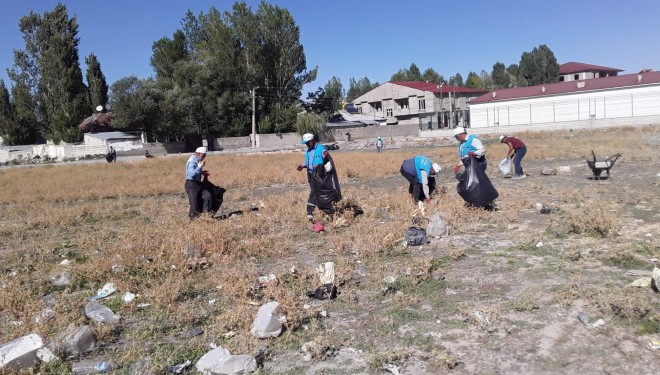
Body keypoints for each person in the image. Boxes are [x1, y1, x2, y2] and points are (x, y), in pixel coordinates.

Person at [296, 133, 341, 221]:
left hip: (320, 176)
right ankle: (324, 211)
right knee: (316, 193)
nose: (306, 145)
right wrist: (303, 165)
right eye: (305, 143)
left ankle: (310, 212)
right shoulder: (308, 150)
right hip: (311, 175)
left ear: (312, 141)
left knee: (315, 193)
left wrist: (325, 158)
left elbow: (327, 159)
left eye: (308, 143)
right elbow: (308, 161)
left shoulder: (320, 149)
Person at [185, 147, 207, 219]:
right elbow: (191, 174)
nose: (204, 157)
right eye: (203, 155)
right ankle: (193, 220)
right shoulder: (192, 161)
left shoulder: (196, 160)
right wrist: (199, 167)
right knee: (194, 203)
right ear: (198, 154)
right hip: (192, 184)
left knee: (198, 201)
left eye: (204, 156)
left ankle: (197, 218)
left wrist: (202, 172)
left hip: (196, 183)